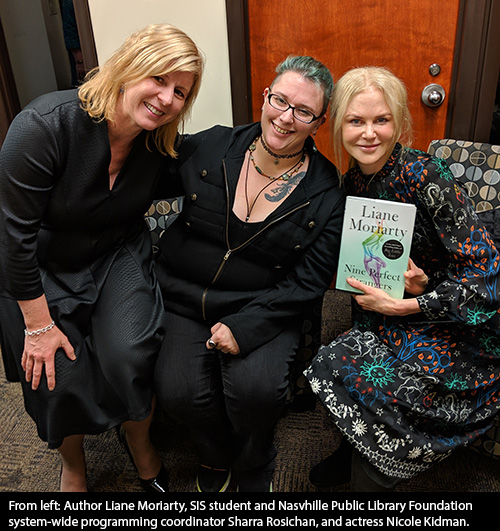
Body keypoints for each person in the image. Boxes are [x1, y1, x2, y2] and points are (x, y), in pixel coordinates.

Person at [0, 23, 203, 492]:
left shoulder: (157, 143)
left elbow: (216, 155)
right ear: (129, 66)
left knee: (130, 353)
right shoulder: (45, 126)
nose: (166, 97)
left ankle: (140, 444)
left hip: (115, 254)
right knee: (57, 373)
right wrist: (37, 325)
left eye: (180, 91)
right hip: (41, 265)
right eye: (158, 78)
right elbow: (12, 238)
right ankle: (74, 464)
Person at [153, 56, 345, 492]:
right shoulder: (212, 146)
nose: (285, 117)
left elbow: (310, 281)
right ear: (265, 96)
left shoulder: (327, 191)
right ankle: (213, 453)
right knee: (178, 391)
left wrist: (245, 326)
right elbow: (144, 174)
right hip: (183, 298)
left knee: (256, 391)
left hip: (264, 305)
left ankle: (254, 458)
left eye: (303, 111)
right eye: (280, 100)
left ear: (318, 122)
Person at [305, 66, 500, 491]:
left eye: (382, 120)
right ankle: (358, 445)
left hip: (461, 329)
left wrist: (415, 301)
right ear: (339, 124)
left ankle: (374, 477)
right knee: (346, 352)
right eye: (356, 121)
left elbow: (488, 279)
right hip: (393, 311)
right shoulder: (353, 179)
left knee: (342, 361)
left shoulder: (428, 176)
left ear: (399, 123)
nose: (369, 133)